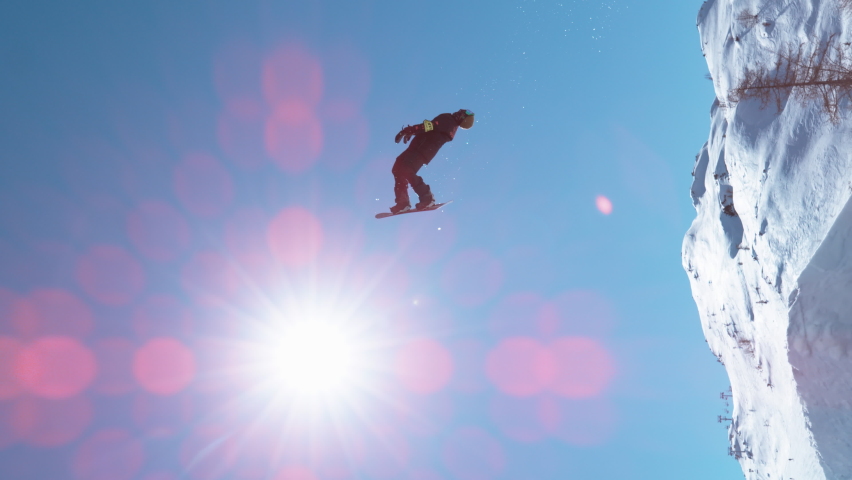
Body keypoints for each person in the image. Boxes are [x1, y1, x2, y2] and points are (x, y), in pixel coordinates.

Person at [388, 109, 475, 214]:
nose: (460, 111)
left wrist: (409, 130)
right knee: (398, 169)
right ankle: (403, 203)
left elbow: (429, 126)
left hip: (421, 149)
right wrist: (413, 131)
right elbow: (430, 129)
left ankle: (426, 198)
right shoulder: (451, 125)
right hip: (420, 149)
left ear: (462, 117)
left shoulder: (448, 120)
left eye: (465, 112)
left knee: (406, 170)